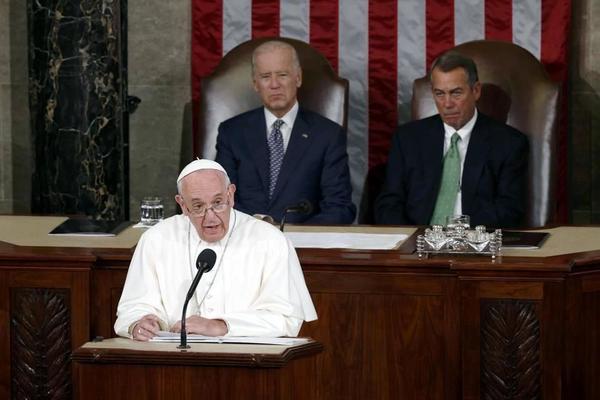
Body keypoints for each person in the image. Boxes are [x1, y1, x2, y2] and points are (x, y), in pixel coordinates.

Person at [114, 159, 317, 340]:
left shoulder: (270, 240)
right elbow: (133, 307)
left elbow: (286, 319)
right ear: (182, 205)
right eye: (198, 206)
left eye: (218, 203)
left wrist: (218, 326)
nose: (210, 217)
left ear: (231, 195)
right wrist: (141, 324)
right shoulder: (156, 239)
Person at [374, 51, 528, 228]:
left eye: (456, 93)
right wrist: (411, 239)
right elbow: (388, 204)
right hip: (418, 245)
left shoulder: (509, 143)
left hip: (474, 245)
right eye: (439, 94)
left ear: (476, 91)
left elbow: (510, 210)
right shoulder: (408, 139)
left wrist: (459, 236)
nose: (447, 104)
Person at [215, 40, 356, 224]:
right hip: (243, 242)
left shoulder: (328, 135)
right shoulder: (232, 133)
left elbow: (340, 207)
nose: (274, 84)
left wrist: (291, 236)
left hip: (302, 246)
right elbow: (220, 200)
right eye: (265, 77)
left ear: (298, 78)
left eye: (282, 75)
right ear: (255, 84)